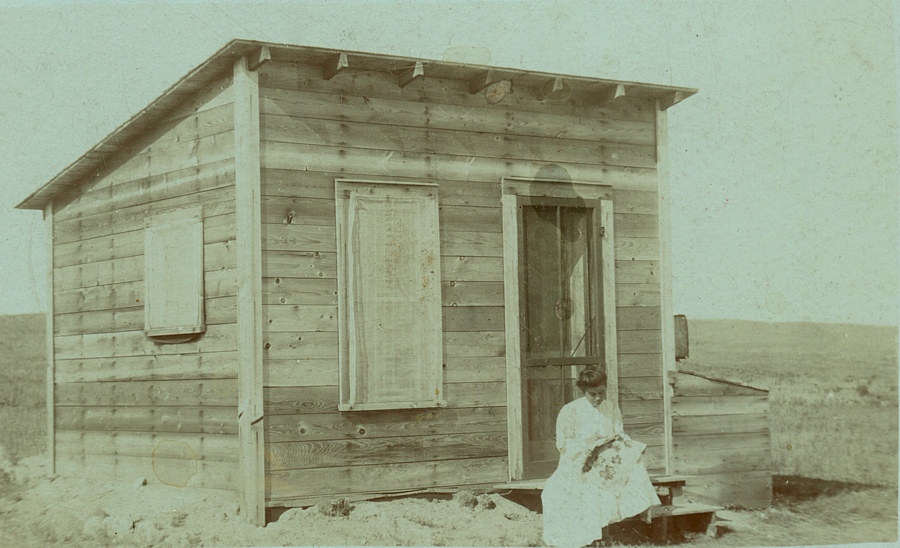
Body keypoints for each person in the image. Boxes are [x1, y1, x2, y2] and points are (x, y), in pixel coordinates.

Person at [541, 368, 661, 547]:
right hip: (578, 462)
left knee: (634, 458)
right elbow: (564, 443)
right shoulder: (570, 411)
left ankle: (635, 512)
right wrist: (589, 450)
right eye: (592, 394)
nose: (597, 398)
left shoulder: (611, 408)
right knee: (561, 491)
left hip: (607, 460)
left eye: (601, 393)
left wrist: (626, 446)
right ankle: (589, 536)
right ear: (583, 392)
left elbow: (619, 434)